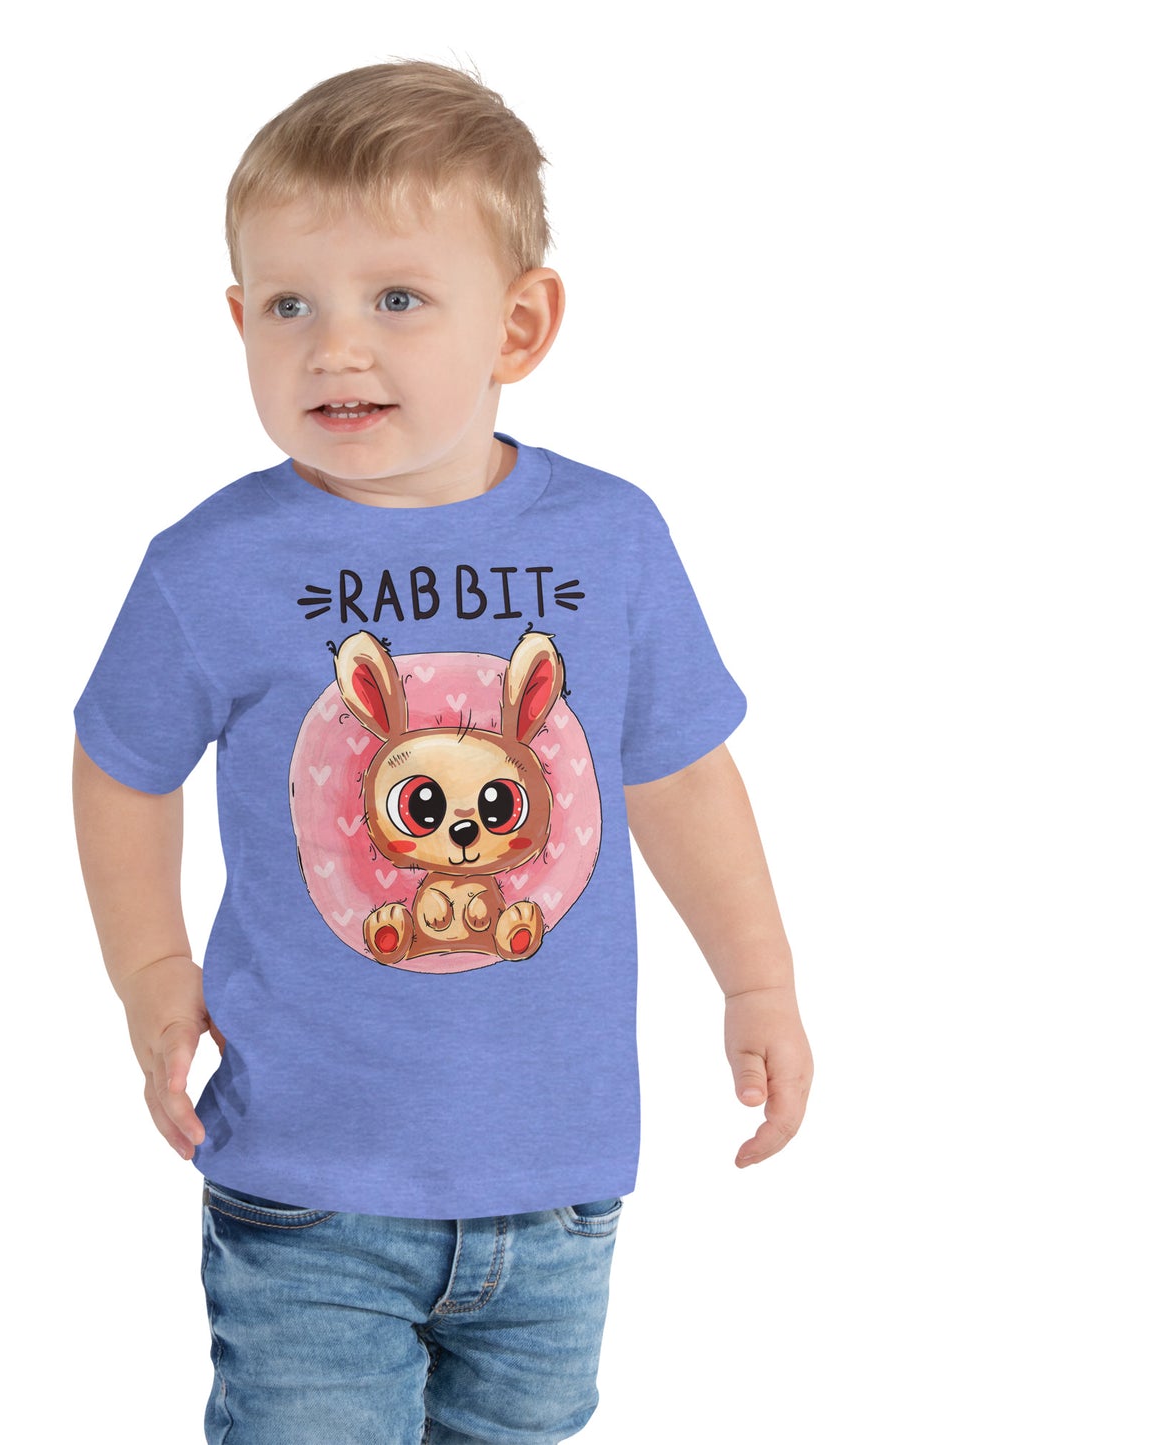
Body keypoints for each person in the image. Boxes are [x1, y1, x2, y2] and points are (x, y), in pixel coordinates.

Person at [72, 57, 812, 1445]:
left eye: (397, 299)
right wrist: (151, 972)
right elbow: (120, 762)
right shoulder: (210, 565)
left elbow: (676, 771)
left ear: (519, 325)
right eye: (289, 305)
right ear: (237, 319)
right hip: (306, 1183)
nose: (335, 347)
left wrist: (757, 978)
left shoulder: (611, 539)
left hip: (557, 1181)